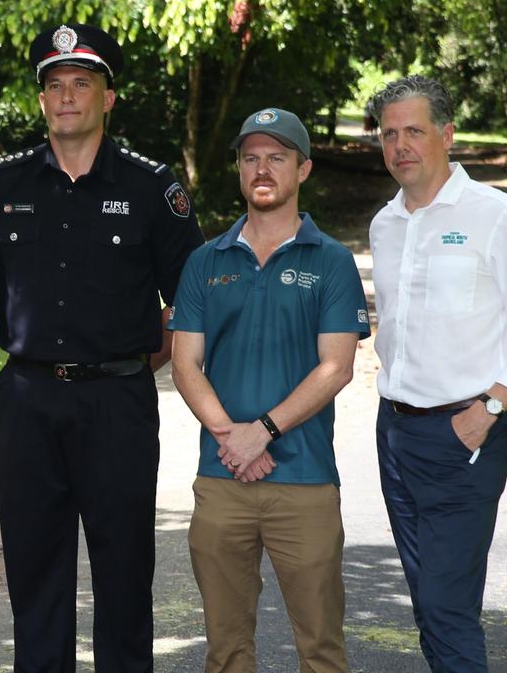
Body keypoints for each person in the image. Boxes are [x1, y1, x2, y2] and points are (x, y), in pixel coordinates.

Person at [0, 23, 205, 671]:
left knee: (125, 578)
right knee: (35, 579)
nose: (67, 95)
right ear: (41, 100)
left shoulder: (152, 188)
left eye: (82, 82)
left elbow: (192, 300)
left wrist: (131, 360)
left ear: (109, 97)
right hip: (26, 402)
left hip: (117, 402)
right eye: (54, 85)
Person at [365, 75, 507, 672]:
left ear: (447, 135)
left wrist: (491, 410)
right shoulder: (385, 224)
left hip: (467, 431)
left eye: (415, 132)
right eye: (390, 134)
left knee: (446, 605)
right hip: (396, 433)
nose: (401, 146)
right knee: (428, 604)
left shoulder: (500, 217)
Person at [169, 109, 369, 672]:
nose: (262, 169)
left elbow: (336, 367)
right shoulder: (204, 261)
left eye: (277, 157)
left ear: (303, 169)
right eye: (251, 157)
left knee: (322, 650)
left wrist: (264, 431)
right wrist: (233, 438)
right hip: (222, 478)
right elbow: (186, 364)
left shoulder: (330, 261)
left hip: (303, 480)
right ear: (237, 169)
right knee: (226, 651)